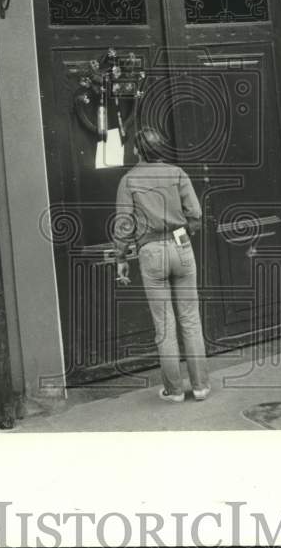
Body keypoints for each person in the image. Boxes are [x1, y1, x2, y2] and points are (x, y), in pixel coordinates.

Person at [112, 125, 210, 402]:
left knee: (164, 325)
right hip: (181, 247)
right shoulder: (177, 173)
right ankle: (201, 386)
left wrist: (121, 258)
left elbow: (123, 225)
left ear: (136, 150)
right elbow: (196, 215)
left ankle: (175, 390)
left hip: (151, 251)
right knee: (191, 320)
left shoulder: (129, 180)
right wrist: (184, 232)